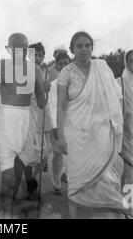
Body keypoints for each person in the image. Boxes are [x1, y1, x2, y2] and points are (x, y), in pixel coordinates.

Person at [57, 31, 131, 219]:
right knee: (77, 180)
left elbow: (115, 99)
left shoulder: (102, 68)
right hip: (76, 136)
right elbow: (60, 106)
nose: (83, 49)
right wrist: (60, 136)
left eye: (87, 45)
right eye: (79, 46)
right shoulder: (67, 72)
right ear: (73, 48)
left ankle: (118, 211)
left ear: (92, 48)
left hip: (101, 134)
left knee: (108, 177)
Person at [0, 33, 46, 217]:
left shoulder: (35, 70)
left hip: (26, 119)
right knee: (7, 173)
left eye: (24, 48)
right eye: (16, 48)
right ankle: (6, 213)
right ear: (9, 49)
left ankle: (10, 204)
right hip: (6, 118)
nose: (21, 52)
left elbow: (40, 100)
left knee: (17, 170)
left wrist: (44, 96)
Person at [25, 42, 51, 200]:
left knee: (45, 152)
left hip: (42, 114)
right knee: (27, 152)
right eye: (35, 54)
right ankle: (29, 184)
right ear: (29, 55)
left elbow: (46, 97)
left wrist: (46, 89)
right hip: (28, 115)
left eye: (41, 55)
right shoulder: (24, 71)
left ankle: (33, 177)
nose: (38, 57)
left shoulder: (46, 73)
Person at [47, 51, 70, 195]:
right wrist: (56, 127)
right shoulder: (54, 85)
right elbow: (52, 105)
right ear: (57, 66)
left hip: (74, 124)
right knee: (58, 153)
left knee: (72, 154)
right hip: (57, 124)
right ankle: (56, 183)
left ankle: (67, 176)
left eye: (66, 62)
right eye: (61, 64)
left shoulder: (78, 81)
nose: (64, 65)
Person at [117, 50, 133, 186]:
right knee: (129, 179)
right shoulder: (118, 84)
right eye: (132, 61)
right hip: (126, 140)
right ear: (126, 63)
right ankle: (128, 206)